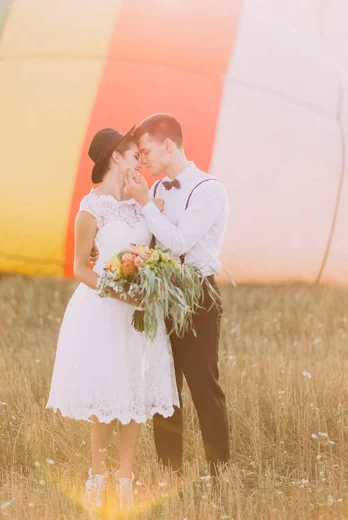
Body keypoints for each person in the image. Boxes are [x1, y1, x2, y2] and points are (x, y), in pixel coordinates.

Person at [45, 126, 179, 511]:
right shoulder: (90, 209)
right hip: (104, 309)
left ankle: (125, 478)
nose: (139, 157)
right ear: (114, 158)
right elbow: (80, 268)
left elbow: (155, 247)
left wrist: (150, 282)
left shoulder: (141, 201)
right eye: (131, 152)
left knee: (134, 392)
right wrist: (119, 291)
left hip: (140, 311)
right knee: (105, 393)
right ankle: (97, 476)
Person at [125, 113, 230, 477]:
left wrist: (145, 204)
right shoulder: (155, 191)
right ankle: (170, 473)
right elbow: (152, 244)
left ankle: (219, 474)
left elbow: (180, 242)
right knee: (164, 389)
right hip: (161, 294)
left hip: (197, 293)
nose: (142, 160)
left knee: (203, 386)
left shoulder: (209, 189)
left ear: (168, 145)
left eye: (145, 151)